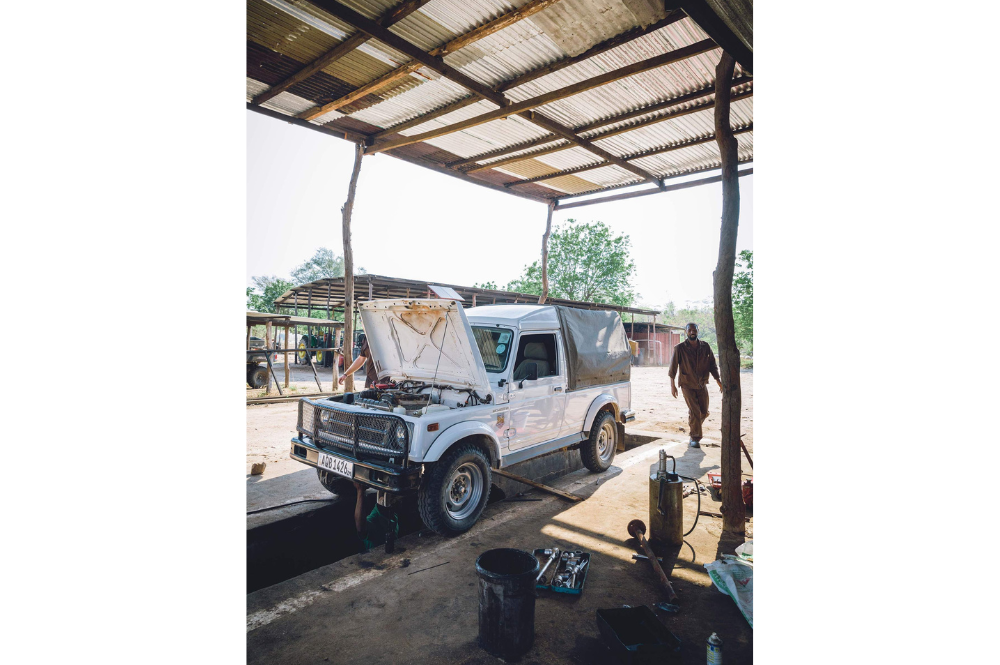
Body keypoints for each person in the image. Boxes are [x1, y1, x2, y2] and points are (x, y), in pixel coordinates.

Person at [668, 323, 723, 448]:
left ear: (698, 331)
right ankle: (695, 438)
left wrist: (718, 380)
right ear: (686, 332)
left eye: (694, 330)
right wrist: (673, 386)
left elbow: (712, 365)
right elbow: (673, 369)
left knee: (704, 412)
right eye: (690, 330)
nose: (692, 332)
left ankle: (694, 424)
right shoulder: (679, 348)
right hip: (686, 384)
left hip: (702, 384)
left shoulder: (705, 346)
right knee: (695, 411)